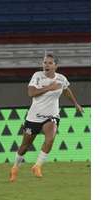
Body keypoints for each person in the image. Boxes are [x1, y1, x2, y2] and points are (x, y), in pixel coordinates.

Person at [9, 54, 84, 182]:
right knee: (25, 146)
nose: (46, 65)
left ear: (55, 66)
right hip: (34, 117)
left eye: (49, 63)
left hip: (52, 116)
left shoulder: (61, 79)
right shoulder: (37, 76)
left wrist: (75, 103)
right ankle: (15, 168)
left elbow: (66, 90)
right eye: (45, 62)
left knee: (50, 139)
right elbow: (31, 93)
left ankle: (37, 166)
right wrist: (49, 87)